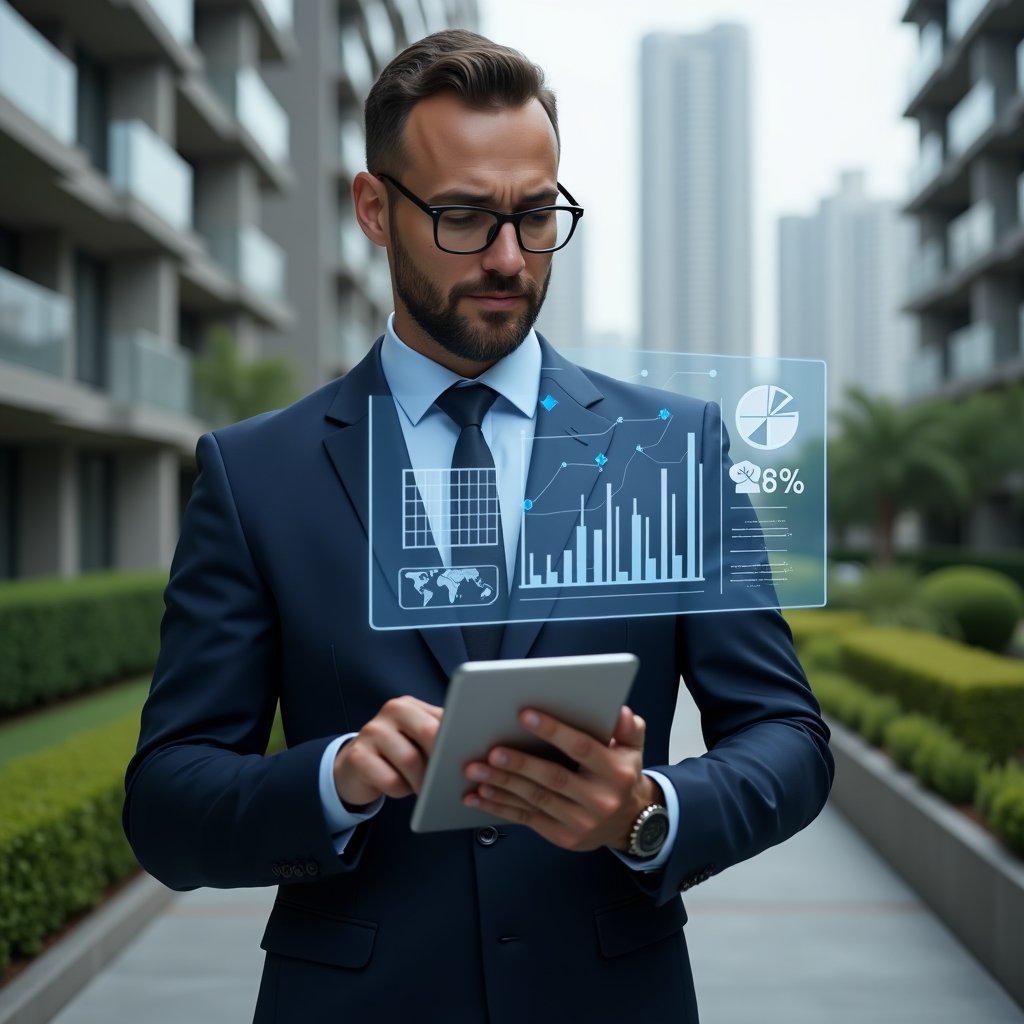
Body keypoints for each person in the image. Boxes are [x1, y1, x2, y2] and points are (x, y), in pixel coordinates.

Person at [124, 29, 833, 1023]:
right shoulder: (254, 475)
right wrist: (331, 777)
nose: (508, 258)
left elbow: (788, 736)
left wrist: (646, 814)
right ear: (374, 209)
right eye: (462, 217)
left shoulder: (672, 448)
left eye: (535, 216)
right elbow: (167, 805)